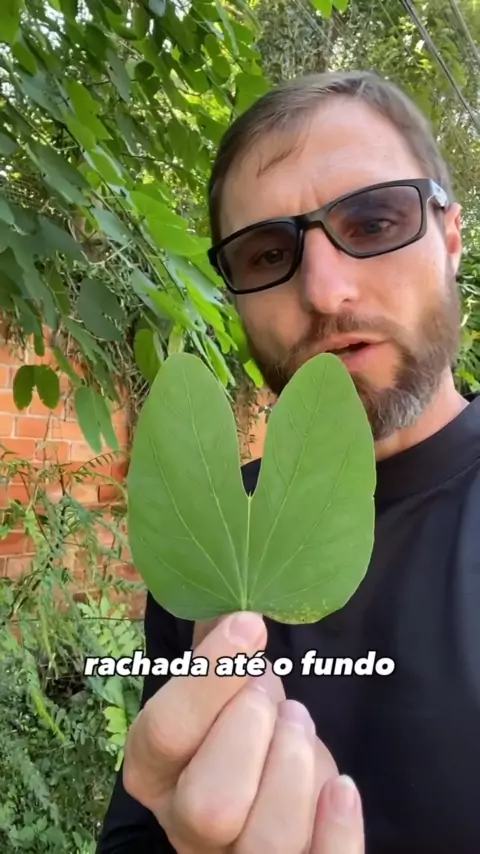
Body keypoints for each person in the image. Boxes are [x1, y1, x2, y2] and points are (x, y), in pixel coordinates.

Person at [96, 69, 480, 854]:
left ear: (451, 236)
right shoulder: (212, 534)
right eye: (269, 252)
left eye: (373, 221)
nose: (325, 292)